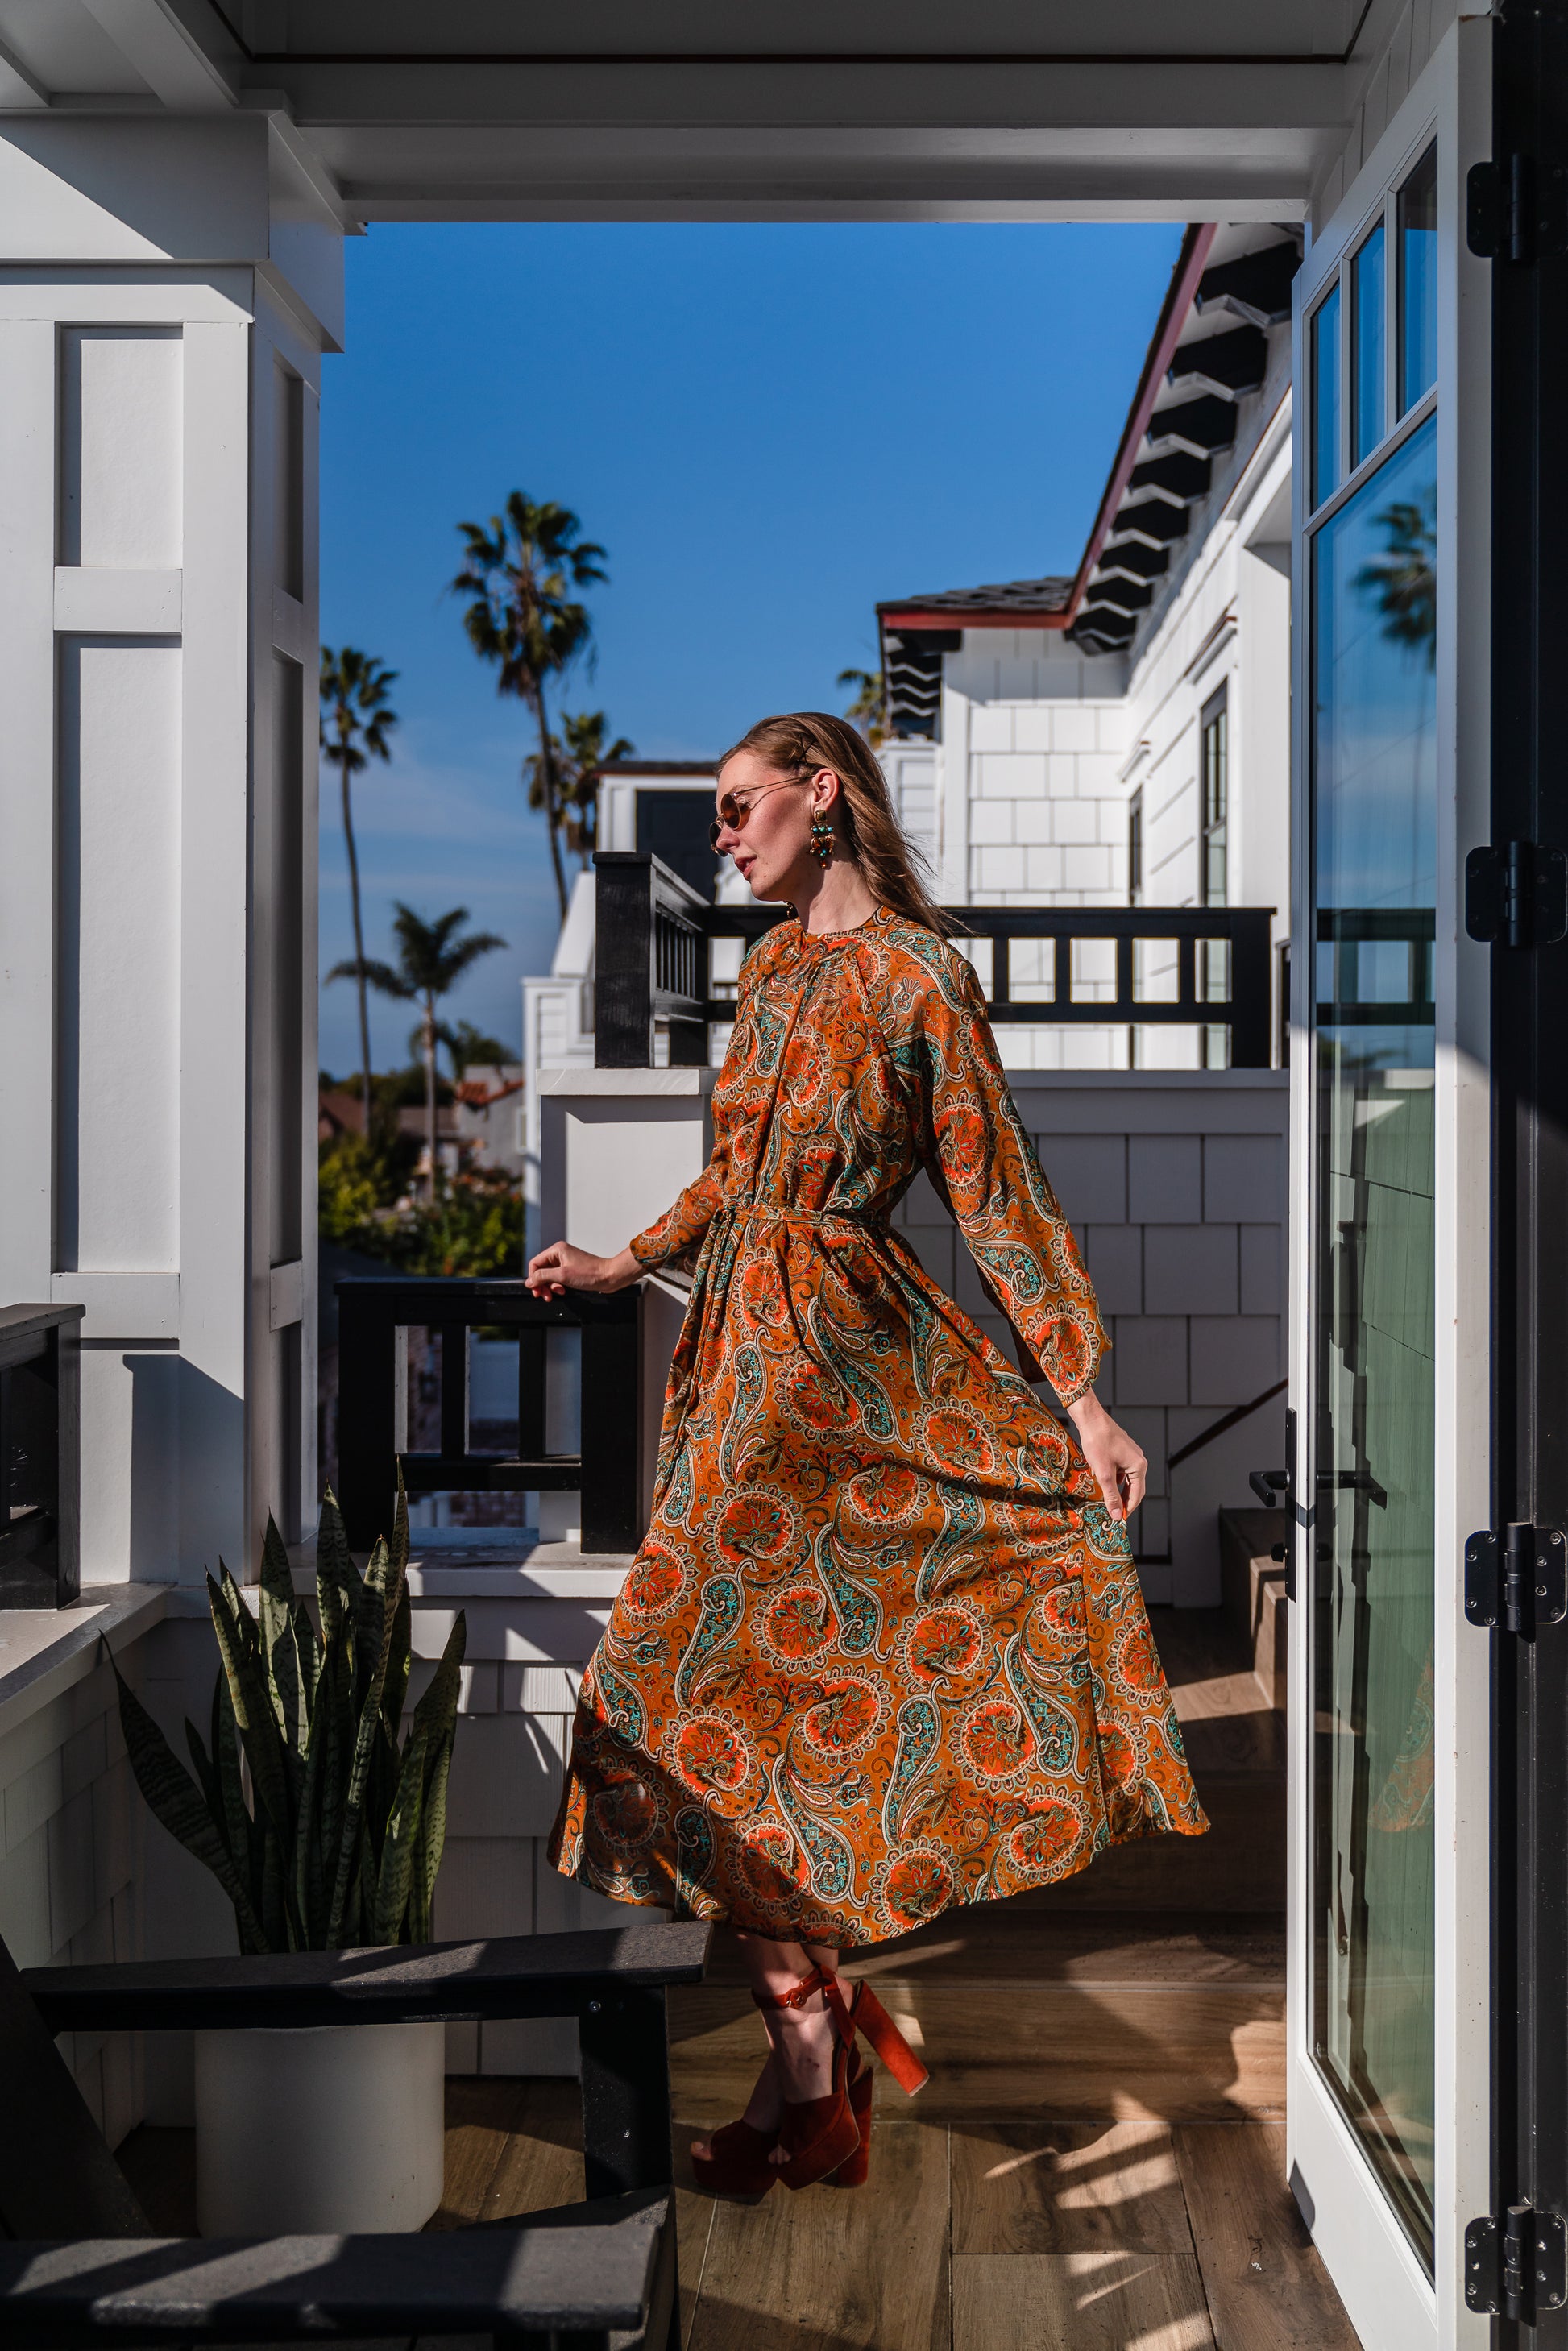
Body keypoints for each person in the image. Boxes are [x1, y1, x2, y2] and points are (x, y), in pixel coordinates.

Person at [526, 710, 1206, 2202]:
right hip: (733, 1369)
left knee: (733, 1699)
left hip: (843, 1368)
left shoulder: (920, 977)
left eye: (737, 803)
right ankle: (822, 2069)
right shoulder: (767, 971)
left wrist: (1079, 1394)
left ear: (820, 795)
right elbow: (733, 1170)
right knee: (687, 1706)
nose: (719, 831)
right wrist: (620, 1261)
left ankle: (815, 2081)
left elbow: (996, 1190)